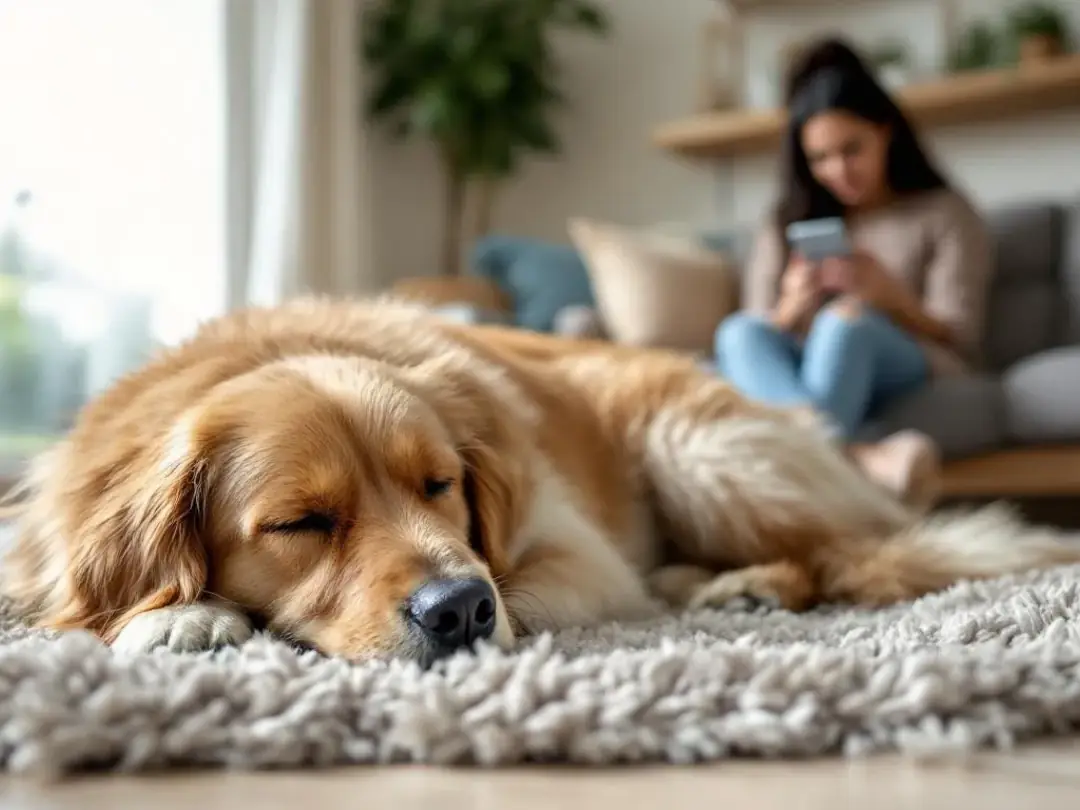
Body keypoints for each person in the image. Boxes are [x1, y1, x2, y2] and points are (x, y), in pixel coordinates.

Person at [714, 38, 994, 507]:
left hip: (906, 354)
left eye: (852, 149)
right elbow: (763, 330)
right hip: (803, 363)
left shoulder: (944, 212)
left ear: (885, 132)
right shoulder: (785, 220)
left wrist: (891, 299)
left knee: (846, 320)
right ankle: (857, 459)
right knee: (738, 331)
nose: (837, 170)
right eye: (819, 158)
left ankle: (819, 468)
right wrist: (790, 307)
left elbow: (961, 335)